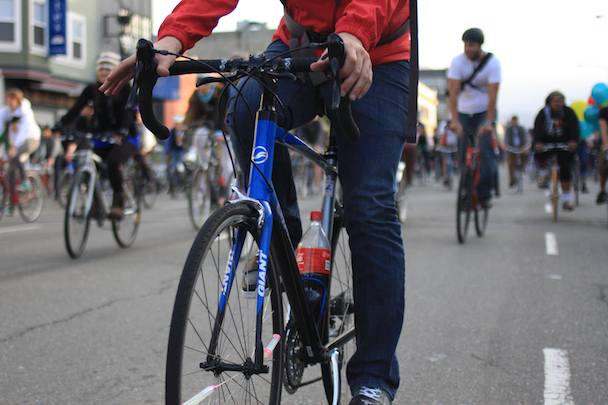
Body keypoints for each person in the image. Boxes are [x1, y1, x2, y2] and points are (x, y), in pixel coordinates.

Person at [101, 0, 409, 403]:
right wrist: (170, 40)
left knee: (369, 204)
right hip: (302, 43)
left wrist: (354, 32)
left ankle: (373, 380)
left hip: (378, 50)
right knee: (245, 102)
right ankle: (283, 241)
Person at [56, 52, 134, 219]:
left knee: (113, 163)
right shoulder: (91, 90)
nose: (103, 72)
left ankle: (118, 202)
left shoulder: (125, 88)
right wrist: (60, 124)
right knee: (85, 164)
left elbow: (128, 113)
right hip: (101, 138)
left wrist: (123, 130)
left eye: (108, 69)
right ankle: (96, 204)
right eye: (101, 68)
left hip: (124, 138)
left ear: (115, 70)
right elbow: (75, 109)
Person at [447, 28, 501, 208]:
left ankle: (484, 195)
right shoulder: (457, 63)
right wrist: (454, 121)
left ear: (480, 45)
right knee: (463, 153)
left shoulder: (492, 63)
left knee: (485, 150)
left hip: (484, 111)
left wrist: (488, 122)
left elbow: (493, 96)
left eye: (472, 45)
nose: (468, 48)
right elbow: (453, 94)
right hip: (463, 111)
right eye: (466, 45)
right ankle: (466, 191)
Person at [533, 91, 579, 210]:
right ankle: (543, 174)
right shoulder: (543, 113)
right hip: (546, 143)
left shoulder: (568, 112)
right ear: (549, 102)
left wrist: (573, 141)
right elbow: (537, 128)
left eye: (560, 101)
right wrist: (538, 142)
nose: (558, 103)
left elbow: (575, 127)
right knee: (538, 153)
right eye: (555, 101)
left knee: (565, 168)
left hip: (564, 144)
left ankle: (567, 199)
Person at [0, 89, 41, 199]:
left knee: (16, 153)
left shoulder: (25, 111)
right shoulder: (5, 112)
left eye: (13, 99)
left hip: (31, 139)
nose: (10, 102)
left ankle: (25, 181)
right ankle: (12, 200)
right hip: (16, 143)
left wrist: (15, 147)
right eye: (9, 99)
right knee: (10, 172)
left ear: (18, 100)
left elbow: (24, 130)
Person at [504, 115, 529, 187]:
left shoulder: (521, 128)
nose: (514, 122)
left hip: (521, 147)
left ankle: (524, 167)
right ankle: (512, 180)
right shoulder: (508, 130)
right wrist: (507, 146)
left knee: (525, 155)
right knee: (511, 163)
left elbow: (526, 138)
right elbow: (506, 139)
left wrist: (526, 147)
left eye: (516, 121)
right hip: (511, 148)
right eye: (513, 121)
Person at [597, 104, 608, 204]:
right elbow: (603, 129)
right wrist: (606, 145)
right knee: (604, 167)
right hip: (606, 142)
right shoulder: (604, 111)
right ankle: (602, 190)